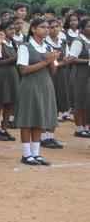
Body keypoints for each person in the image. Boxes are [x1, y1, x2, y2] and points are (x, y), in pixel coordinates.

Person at [15, 18, 58, 166]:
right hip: (30, 85)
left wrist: (52, 61)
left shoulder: (48, 47)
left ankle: (36, 153)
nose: (46, 30)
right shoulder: (25, 47)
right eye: (42, 27)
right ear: (33, 29)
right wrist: (45, 61)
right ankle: (26, 154)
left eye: (47, 27)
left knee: (40, 118)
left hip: (45, 85)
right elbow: (23, 70)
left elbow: (53, 71)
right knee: (28, 119)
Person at [44, 18, 69, 148]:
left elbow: (67, 58)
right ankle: (44, 136)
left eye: (56, 27)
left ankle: (50, 136)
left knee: (57, 104)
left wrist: (61, 62)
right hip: (49, 75)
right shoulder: (45, 44)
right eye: (51, 27)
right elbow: (52, 63)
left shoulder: (62, 42)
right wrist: (61, 62)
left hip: (61, 75)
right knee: (48, 104)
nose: (54, 29)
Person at [0, 20, 19, 142]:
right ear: (3, 31)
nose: (12, 31)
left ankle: (4, 128)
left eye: (13, 29)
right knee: (0, 103)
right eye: (10, 29)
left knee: (10, 103)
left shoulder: (13, 43)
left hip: (13, 75)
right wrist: (12, 59)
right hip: (2, 75)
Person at [67, 17, 90, 138]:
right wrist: (87, 61)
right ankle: (79, 128)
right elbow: (71, 59)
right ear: (81, 29)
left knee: (87, 101)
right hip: (79, 74)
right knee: (80, 101)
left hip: (87, 75)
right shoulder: (78, 41)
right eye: (89, 26)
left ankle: (86, 126)